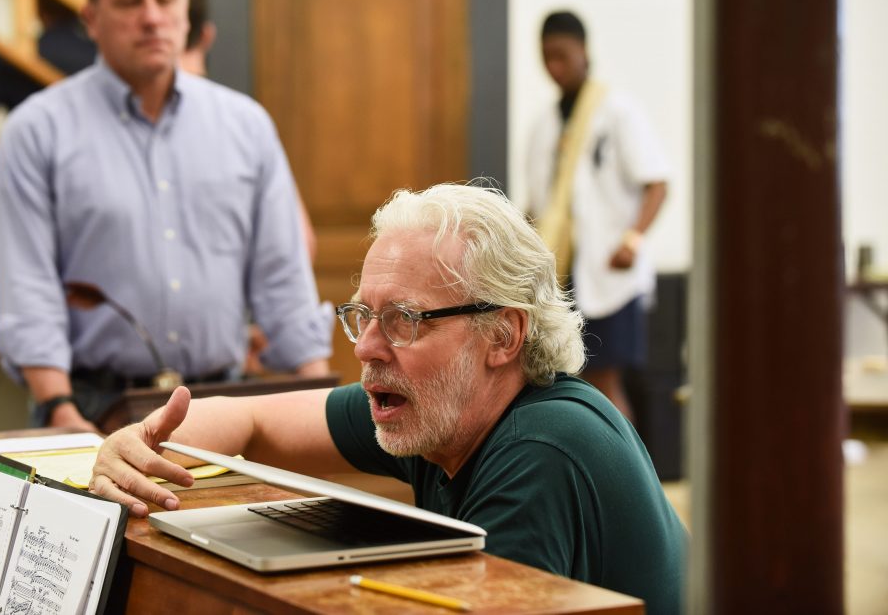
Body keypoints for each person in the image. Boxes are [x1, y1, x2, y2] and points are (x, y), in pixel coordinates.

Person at [89, 182, 687, 614]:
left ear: (503, 335)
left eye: (403, 319)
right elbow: (250, 420)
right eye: (363, 315)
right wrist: (138, 446)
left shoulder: (541, 448)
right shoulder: (441, 409)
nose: (368, 347)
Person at [0, 0, 331, 432]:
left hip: (222, 406)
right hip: (90, 409)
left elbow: (282, 275)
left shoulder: (246, 126)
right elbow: (27, 287)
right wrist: (57, 406)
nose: (151, 17)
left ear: (187, 12)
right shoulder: (36, 132)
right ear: (91, 19)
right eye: (130, 1)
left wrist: (315, 393)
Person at [518, 10, 669, 421]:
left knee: (605, 382)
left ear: (583, 51)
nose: (554, 67)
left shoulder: (617, 112)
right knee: (565, 383)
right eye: (546, 57)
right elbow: (536, 208)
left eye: (562, 55)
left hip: (609, 272)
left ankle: (626, 479)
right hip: (562, 271)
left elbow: (657, 183)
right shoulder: (544, 125)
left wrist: (632, 239)